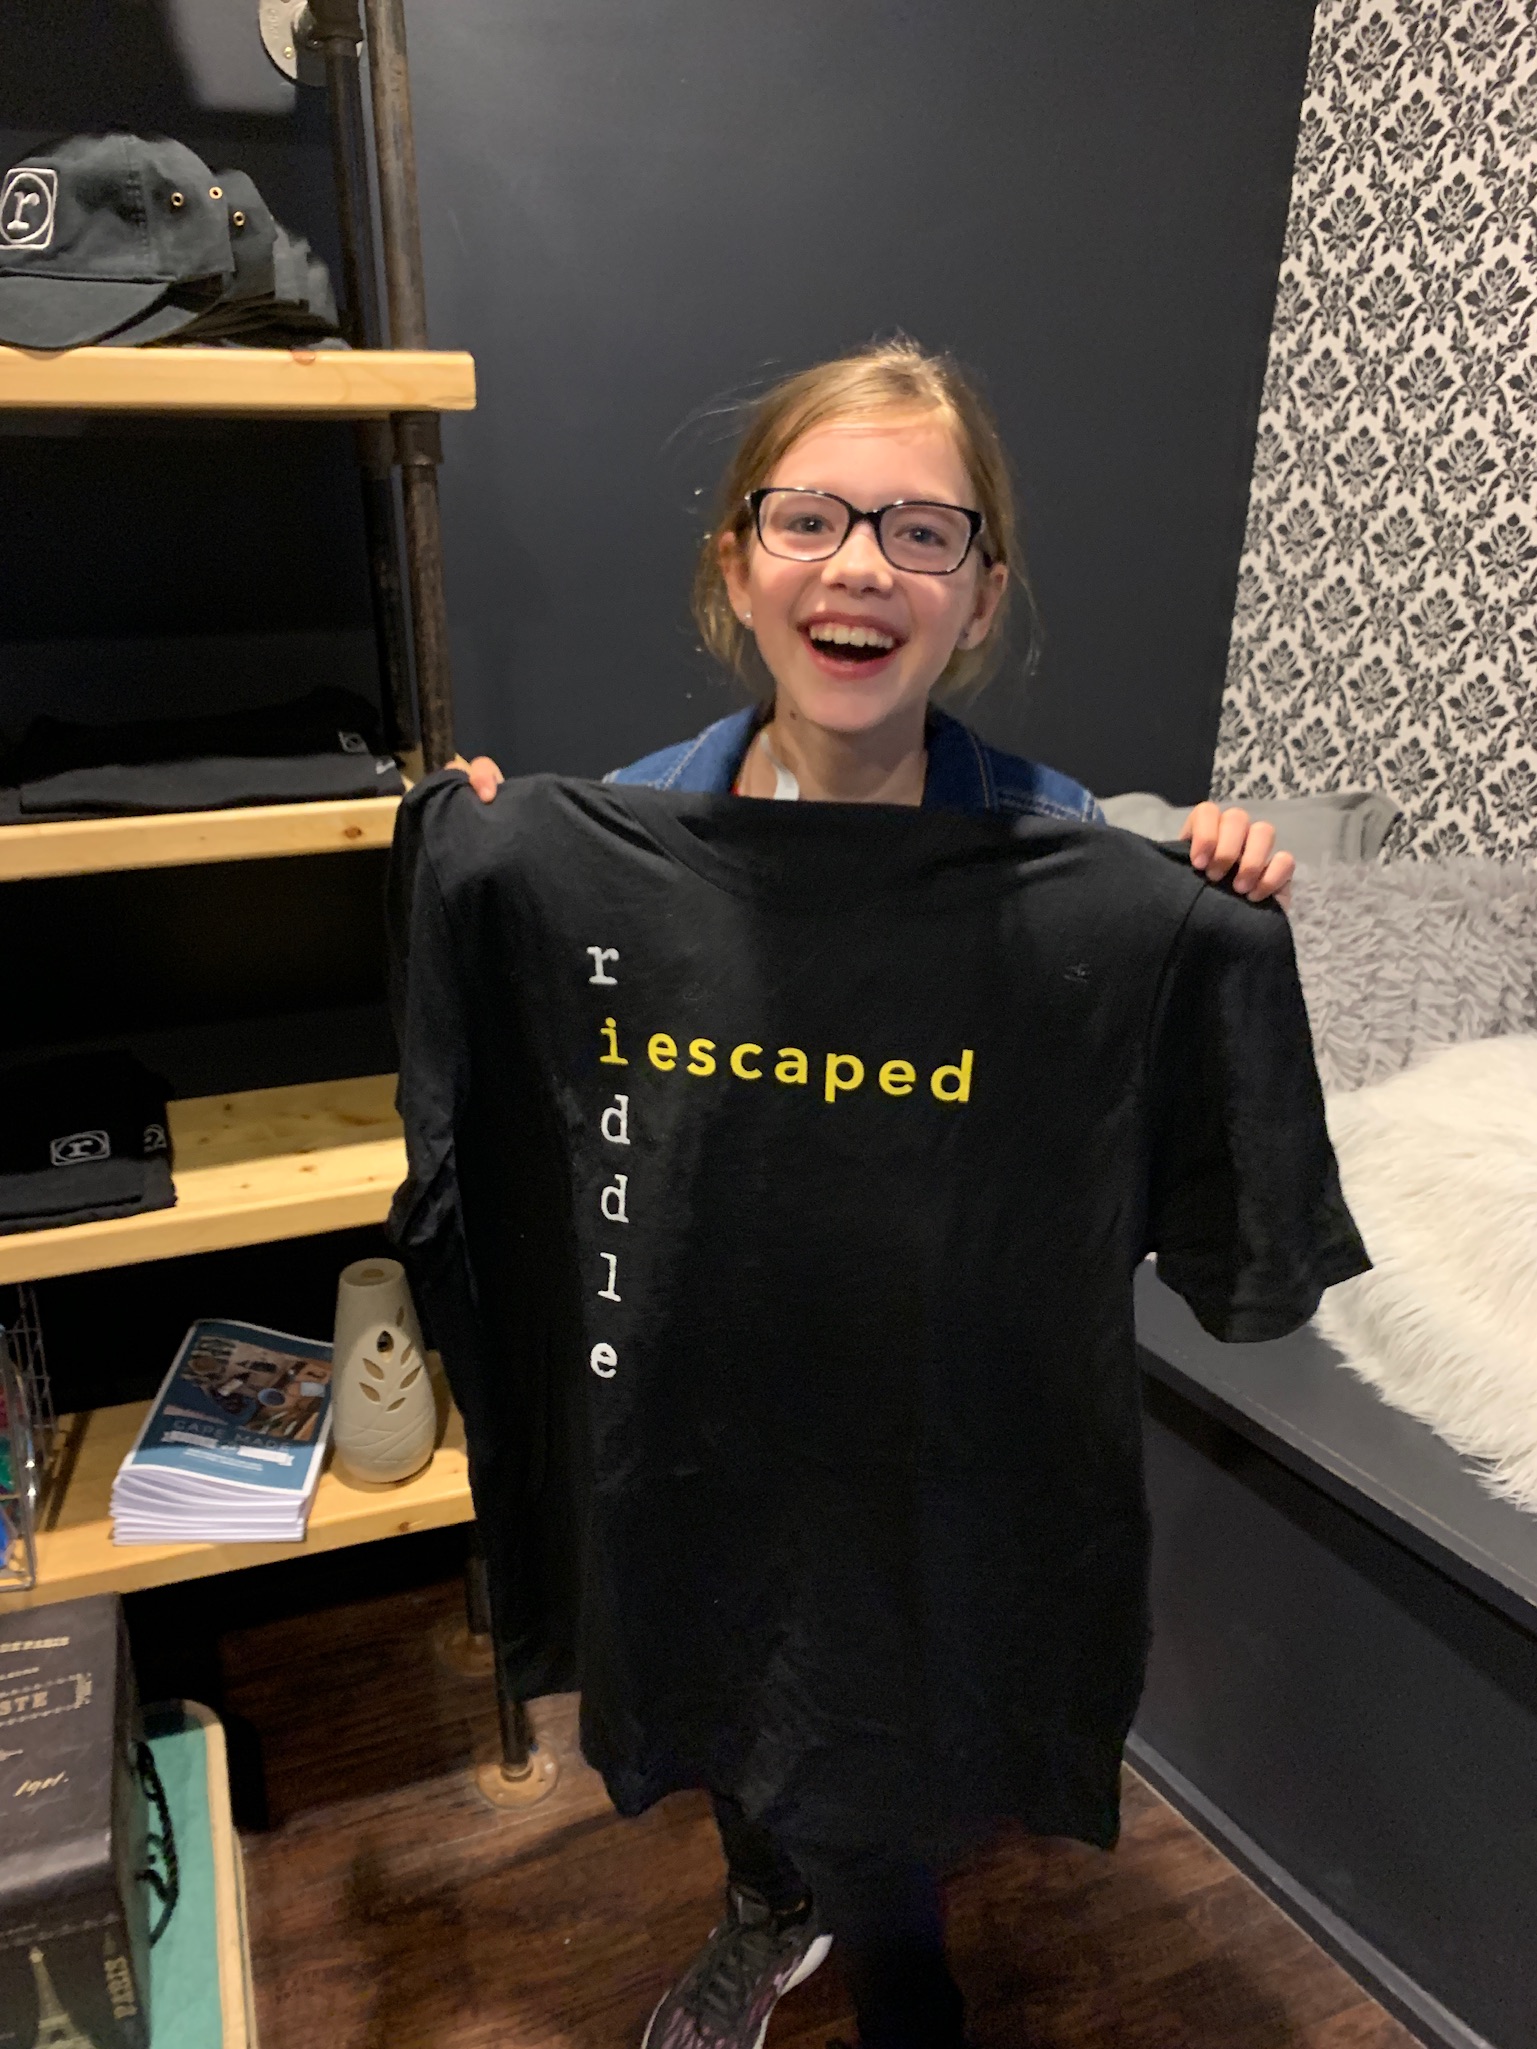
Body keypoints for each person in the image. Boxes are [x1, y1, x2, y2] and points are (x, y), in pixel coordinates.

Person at [452, 339, 1297, 2049]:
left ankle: (899, 1962)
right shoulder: (637, 830)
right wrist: (484, 873)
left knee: (887, 1705)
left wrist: (1207, 901)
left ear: (979, 594)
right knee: (726, 1653)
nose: (859, 564)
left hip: (937, 1406)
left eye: (921, 530)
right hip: (712, 1382)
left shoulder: (1059, 848)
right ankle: (767, 1902)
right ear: (735, 566)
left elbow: (1138, 1096)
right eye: (809, 517)